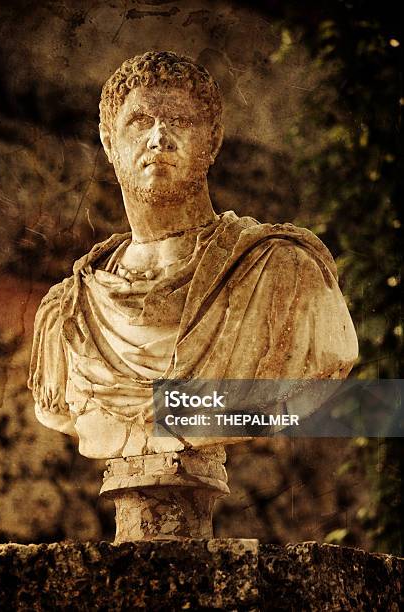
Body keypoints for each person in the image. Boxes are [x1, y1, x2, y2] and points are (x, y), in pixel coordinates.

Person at [28, 51, 358, 459]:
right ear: (109, 140)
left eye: (181, 122)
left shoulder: (282, 273)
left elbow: (311, 378)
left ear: (213, 141)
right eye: (140, 121)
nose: (159, 137)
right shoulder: (68, 314)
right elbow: (57, 410)